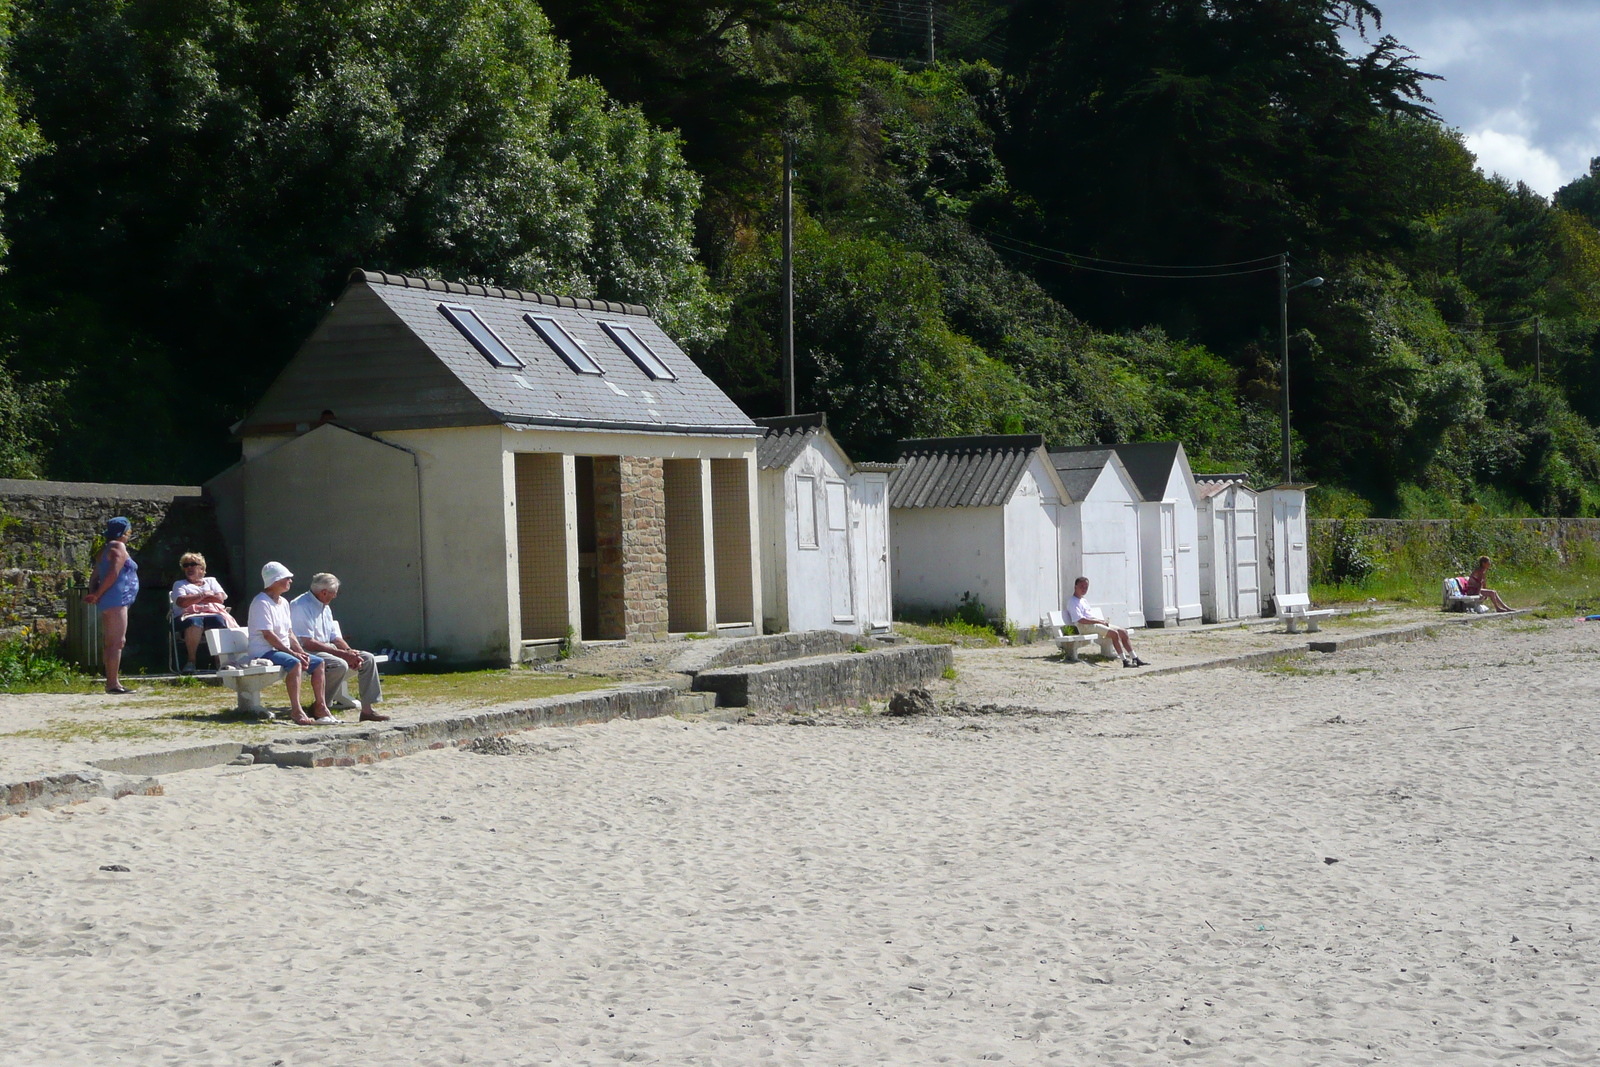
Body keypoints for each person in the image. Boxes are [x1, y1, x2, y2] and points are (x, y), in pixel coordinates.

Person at [290, 572, 389, 723]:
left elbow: (335, 637)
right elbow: (308, 642)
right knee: (339, 664)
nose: (335, 596)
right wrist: (343, 655)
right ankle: (320, 706)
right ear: (324, 592)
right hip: (307, 650)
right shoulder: (300, 605)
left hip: (326, 647)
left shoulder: (324, 606)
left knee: (367, 658)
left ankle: (367, 711)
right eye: (334, 593)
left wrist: (349, 652)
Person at [247, 561, 333, 725]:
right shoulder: (261, 603)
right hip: (263, 651)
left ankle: (321, 707)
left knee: (319, 662)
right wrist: (292, 653)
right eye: (287, 578)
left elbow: (289, 632)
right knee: (294, 663)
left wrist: (300, 651)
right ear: (276, 580)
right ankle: (296, 710)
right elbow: (268, 635)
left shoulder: (284, 603)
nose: (290, 581)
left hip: (281, 650)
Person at [83, 516, 139, 694]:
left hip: (111, 600)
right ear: (125, 532)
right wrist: (97, 594)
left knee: (111, 642)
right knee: (117, 642)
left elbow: (94, 576)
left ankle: (112, 682)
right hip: (117, 598)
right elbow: (113, 574)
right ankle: (113, 684)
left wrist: (94, 594)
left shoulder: (104, 549)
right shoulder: (118, 546)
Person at [171, 552, 240, 673]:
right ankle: (191, 661)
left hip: (212, 614)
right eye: (186, 565)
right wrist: (204, 594)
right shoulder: (179, 584)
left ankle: (220, 661)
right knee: (194, 621)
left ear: (201, 568)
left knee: (217, 620)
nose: (189, 568)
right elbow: (182, 602)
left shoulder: (211, 581)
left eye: (193, 564)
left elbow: (219, 598)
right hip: (188, 616)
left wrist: (193, 597)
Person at [1065, 576, 1147, 668]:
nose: (1084, 589)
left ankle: (1135, 658)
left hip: (1094, 624)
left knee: (1123, 632)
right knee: (1114, 634)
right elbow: (1080, 619)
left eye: (1086, 587)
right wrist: (1097, 621)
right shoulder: (1072, 602)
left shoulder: (1083, 600)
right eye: (1081, 586)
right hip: (1085, 626)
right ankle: (1124, 660)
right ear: (1075, 586)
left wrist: (1099, 621)